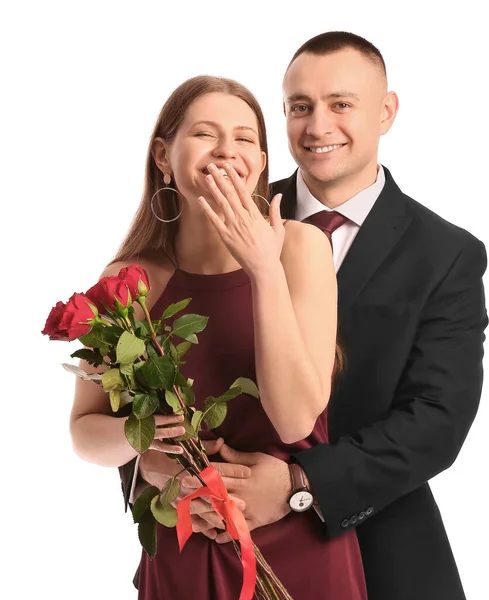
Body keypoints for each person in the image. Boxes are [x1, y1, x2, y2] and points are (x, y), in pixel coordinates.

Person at [121, 32, 489, 600]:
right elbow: (149, 378)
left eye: (341, 104)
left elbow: (438, 420)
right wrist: (161, 471)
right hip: (212, 548)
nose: (318, 127)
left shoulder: (445, 254)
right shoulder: (218, 211)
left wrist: (301, 484)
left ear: (386, 111)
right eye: (299, 107)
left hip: (382, 543)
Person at [70, 74, 368, 599]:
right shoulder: (128, 277)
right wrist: (149, 448)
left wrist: (263, 269)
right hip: (184, 544)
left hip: (297, 545)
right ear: (164, 155)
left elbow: (297, 418)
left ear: (261, 159)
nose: (227, 150)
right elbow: (85, 432)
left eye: (246, 138)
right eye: (205, 134)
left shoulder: (300, 250)